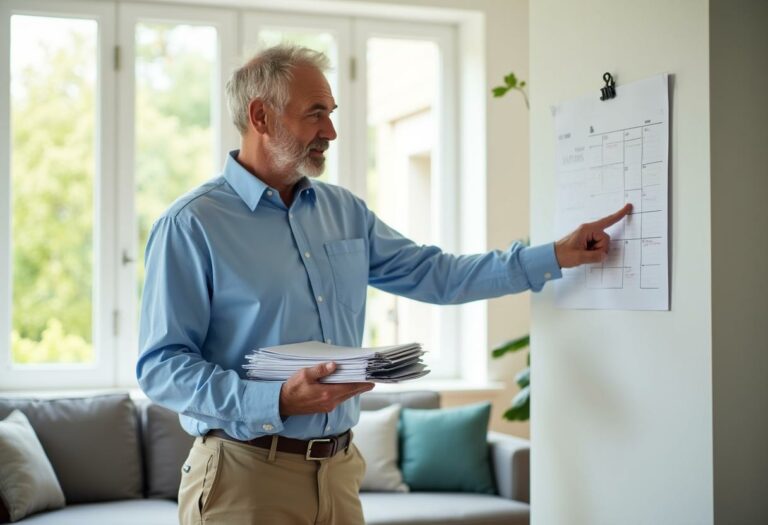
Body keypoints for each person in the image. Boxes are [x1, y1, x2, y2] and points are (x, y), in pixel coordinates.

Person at [136, 44, 631, 525]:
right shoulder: (191, 224)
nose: (330, 130)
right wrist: (276, 399)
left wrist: (556, 254)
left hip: (339, 474)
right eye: (315, 114)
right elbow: (162, 366)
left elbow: (436, 275)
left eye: (331, 112)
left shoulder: (343, 211)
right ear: (261, 116)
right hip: (243, 478)